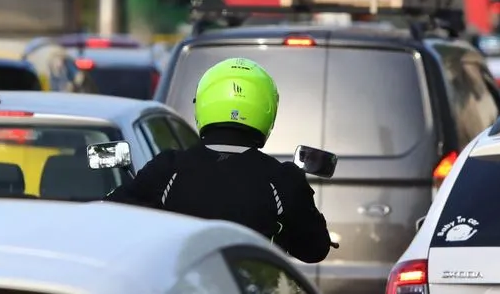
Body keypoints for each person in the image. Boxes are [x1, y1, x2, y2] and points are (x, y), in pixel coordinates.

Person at [105, 58, 331, 263]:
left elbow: (111, 217)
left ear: (203, 103)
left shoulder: (168, 169)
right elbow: (314, 250)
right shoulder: (282, 179)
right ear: (268, 109)